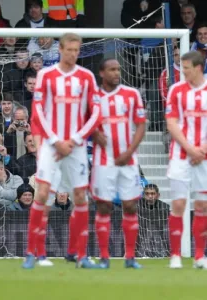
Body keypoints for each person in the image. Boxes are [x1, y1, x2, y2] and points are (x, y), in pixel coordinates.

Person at [22, 33, 101, 269]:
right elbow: (38, 111)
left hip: (75, 146)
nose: (73, 54)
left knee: (80, 197)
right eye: (69, 50)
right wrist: (56, 140)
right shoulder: (46, 75)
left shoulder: (86, 77)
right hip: (50, 144)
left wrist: (76, 139)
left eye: (77, 50)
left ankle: (79, 254)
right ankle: (32, 253)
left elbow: (95, 113)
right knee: (43, 193)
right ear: (60, 49)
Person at [91, 58, 146, 269]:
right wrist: (95, 133)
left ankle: (130, 257)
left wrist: (129, 151)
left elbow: (141, 125)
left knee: (130, 205)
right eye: (112, 70)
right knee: (104, 206)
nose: (116, 73)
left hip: (128, 160)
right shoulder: (93, 96)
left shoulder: (131, 95)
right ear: (102, 73)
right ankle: (104, 257)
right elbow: (84, 122)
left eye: (118, 69)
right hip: (102, 161)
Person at [165, 51, 207, 269]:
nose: (183, 72)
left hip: (204, 158)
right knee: (179, 203)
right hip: (180, 156)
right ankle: (175, 256)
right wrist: (190, 149)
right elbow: (171, 123)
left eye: (187, 68)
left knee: (202, 206)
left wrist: (201, 150)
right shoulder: (176, 90)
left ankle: (199, 256)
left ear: (198, 68)